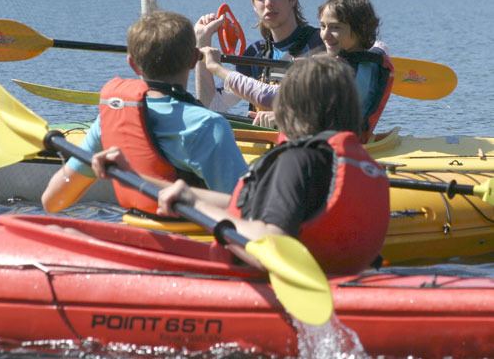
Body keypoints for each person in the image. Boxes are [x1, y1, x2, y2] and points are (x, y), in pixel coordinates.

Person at [91, 57, 390, 276]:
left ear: (287, 108)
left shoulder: (296, 161)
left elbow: (272, 248)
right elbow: (244, 204)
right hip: (342, 274)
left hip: (288, 285)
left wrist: (200, 207)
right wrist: (135, 176)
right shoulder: (333, 161)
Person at [42, 11, 248, 215]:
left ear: (132, 64)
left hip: (137, 233)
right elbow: (246, 210)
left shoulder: (110, 118)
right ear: (194, 59)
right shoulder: (208, 126)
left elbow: (52, 201)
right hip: (194, 239)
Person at [200, 0, 393, 141]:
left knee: (213, 121)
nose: (324, 35)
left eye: (335, 27)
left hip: (329, 147)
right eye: (323, 26)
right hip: (348, 141)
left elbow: (267, 95)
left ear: (359, 30)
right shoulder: (374, 59)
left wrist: (218, 69)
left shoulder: (338, 74)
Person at [194, 0, 323, 114]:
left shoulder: (319, 42)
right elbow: (212, 107)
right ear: (254, 6)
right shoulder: (254, 53)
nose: (268, 3)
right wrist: (202, 42)